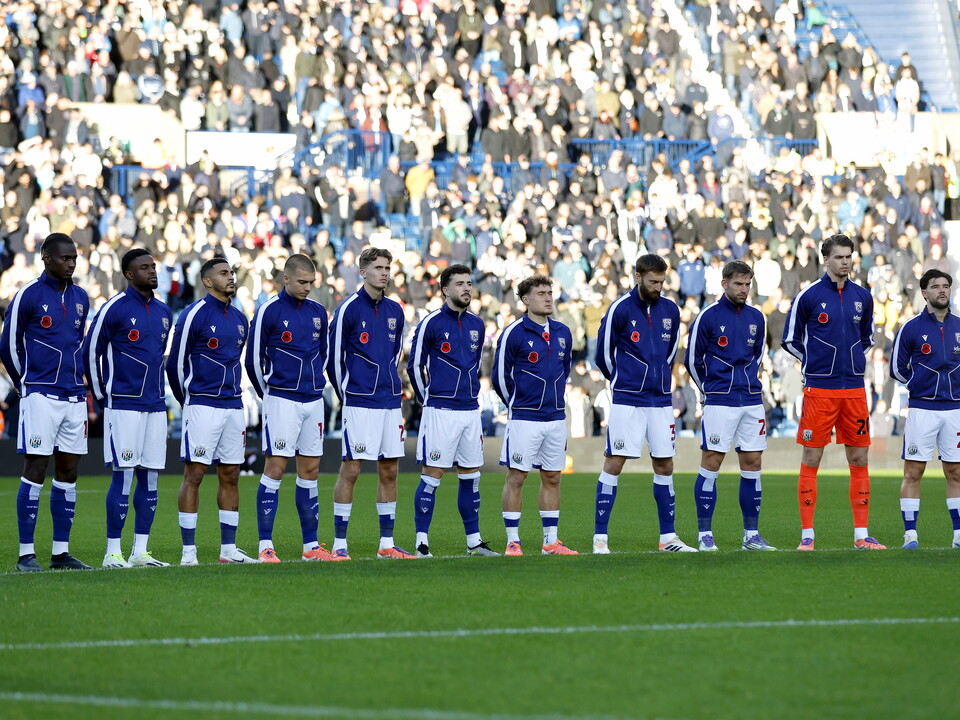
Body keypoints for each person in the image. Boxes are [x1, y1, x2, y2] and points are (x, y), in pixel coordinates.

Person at [782, 234, 885, 550]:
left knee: (859, 457)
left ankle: (861, 535)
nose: (845, 262)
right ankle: (807, 537)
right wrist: (814, 363)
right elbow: (790, 339)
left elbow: (866, 337)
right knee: (812, 457)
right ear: (825, 260)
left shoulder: (863, 297)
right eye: (839, 257)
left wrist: (852, 360)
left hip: (854, 389)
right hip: (819, 390)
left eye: (848, 256)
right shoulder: (808, 296)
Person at [593, 254, 695, 553]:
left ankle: (668, 539)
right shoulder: (619, 309)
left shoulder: (670, 310)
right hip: (627, 399)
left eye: (662, 281)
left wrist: (659, 378)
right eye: (653, 281)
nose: (658, 287)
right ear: (637, 276)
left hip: (660, 399)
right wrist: (624, 380)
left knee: (665, 463)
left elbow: (670, 350)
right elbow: (603, 353)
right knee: (614, 462)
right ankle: (600, 539)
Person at [1, 233, 91, 572]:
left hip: (73, 396)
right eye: (64, 258)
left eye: (74, 258)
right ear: (45, 257)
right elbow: (7, 345)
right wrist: (26, 382)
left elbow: (78, 345)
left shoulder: (81, 296)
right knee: (35, 469)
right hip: (40, 393)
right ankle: (26, 554)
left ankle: (60, 554)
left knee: (68, 471)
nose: (71, 263)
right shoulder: (29, 294)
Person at [84, 248, 174, 569]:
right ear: (128, 273)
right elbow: (90, 351)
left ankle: (140, 552)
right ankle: (112, 552)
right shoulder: (114, 308)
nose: (152, 271)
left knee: (150, 478)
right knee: (123, 476)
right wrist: (102, 395)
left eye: (154, 266)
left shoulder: (165, 312)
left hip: (155, 405)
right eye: (144, 267)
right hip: (122, 404)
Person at [245, 254, 336, 563]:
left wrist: (315, 385)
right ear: (286, 279)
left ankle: (311, 547)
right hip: (281, 399)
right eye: (302, 282)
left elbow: (323, 353)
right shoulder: (269, 310)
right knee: (276, 468)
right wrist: (267, 395)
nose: (308, 288)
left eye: (312, 282)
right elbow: (252, 359)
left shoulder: (318, 312)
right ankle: (264, 546)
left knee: (310, 471)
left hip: (313, 400)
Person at [167, 256, 257, 565]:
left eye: (231, 272)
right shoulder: (194, 315)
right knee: (195, 474)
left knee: (231, 475)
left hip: (233, 405)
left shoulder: (240, 318)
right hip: (202, 404)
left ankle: (228, 550)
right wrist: (188, 401)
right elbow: (174, 364)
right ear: (207, 281)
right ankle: (188, 552)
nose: (230, 277)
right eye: (223, 273)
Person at [407, 264, 499, 558]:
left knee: (471, 477)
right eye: (460, 284)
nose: (467, 289)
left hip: (470, 410)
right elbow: (414, 365)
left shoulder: (477, 325)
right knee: (432, 476)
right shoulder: (431, 323)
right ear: (445, 290)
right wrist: (428, 400)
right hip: (441, 410)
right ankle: (421, 542)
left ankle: (474, 541)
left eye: (469, 284)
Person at [326, 247, 413, 560]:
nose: (384, 273)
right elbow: (333, 360)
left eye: (387, 267)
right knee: (351, 470)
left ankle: (386, 544)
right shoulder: (348, 309)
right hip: (360, 402)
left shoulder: (396, 311)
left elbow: (395, 355)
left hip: (390, 402)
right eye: (378, 267)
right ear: (362, 272)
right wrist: (347, 394)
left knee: (389, 471)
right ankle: (339, 545)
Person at [685, 261, 775, 551]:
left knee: (753, 464)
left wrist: (746, 382)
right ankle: (704, 534)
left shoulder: (757, 318)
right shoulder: (707, 317)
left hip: (750, 400)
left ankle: (751, 535)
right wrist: (708, 390)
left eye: (747, 284)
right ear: (724, 284)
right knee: (712, 462)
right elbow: (691, 360)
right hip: (720, 401)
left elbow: (758, 355)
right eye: (738, 284)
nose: (744, 289)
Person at [492, 275, 577, 556]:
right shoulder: (513, 333)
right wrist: (517, 405)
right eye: (541, 293)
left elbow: (564, 370)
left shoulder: (563, 331)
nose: (549, 297)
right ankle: (513, 541)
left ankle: (551, 541)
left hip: (555, 417)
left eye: (550, 292)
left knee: (553, 477)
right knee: (517, 477)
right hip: (525, 419)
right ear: (526, 300)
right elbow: (499, 378)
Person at [890, 269, 960, 549]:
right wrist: (919, 384)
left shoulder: (959, 325)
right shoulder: (911, 328)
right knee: (913, 472)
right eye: (936, 286)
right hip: (922, 409)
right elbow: (897, 367)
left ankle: (958, 535)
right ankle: (910, 535)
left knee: (955, 472)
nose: (942, 290)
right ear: (924, 293)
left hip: (955, 409)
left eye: (946, 286)